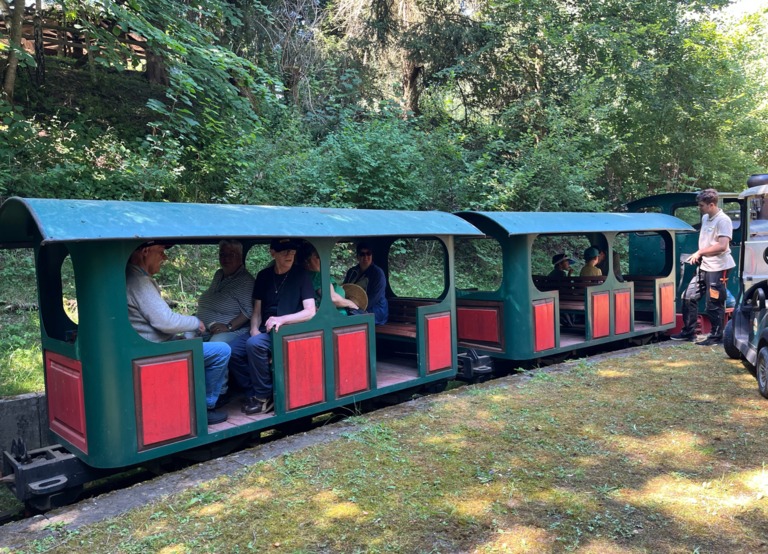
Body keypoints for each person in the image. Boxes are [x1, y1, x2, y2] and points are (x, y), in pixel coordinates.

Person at [126, 240, 230, 425]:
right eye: (161, 251)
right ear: (145, 251)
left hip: (147, 345)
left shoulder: (134, 277)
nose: (165, 257)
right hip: (155, 350)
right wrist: (195, 322)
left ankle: (193, 399)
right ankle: (204, 408)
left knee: (196, 340)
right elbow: (164, 321)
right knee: (222, 350)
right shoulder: (139, 281)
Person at [228, 238, 316, 415]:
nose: (289, 254)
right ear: (272, 252)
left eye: (292, 251)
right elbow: (257, 311)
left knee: (255, 345)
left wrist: (282, 319)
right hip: (264, 329)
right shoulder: (264, 276)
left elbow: (310, 311)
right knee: (232, 350)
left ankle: (264, 397)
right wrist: (253, 329)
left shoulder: (301, 275)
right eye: (284, 251)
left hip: (287, 330)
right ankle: (252, 392)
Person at [671, 189, 736, 345]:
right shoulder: (706, 217)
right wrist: (699, 255)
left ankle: (716, 337)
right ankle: (688, 332)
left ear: (711, 204)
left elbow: (722, 246)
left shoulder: (723, 220)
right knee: (688, 296)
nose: (699, 208)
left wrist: (699, 252)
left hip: (719, 266)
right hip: (705, 265)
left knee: (714, 303)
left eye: (701, 205)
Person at [196, 239, 255, 400]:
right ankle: (192, 387)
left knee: (217, 346)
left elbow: (249, 312)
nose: (226, 258)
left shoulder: (245, 280)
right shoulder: (219, 274)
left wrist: (228, 327)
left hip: (235, 330)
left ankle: (219, 392)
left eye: (231, 254)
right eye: (222, 254)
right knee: (183, 340)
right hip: (205, 325)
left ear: (240, 256)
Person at [302, 245, 359, 314]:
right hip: (337, 318)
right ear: (307, 260)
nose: (322, 259)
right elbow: (333, 298)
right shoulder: (318, 275)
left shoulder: (304, 275)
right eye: (318, 256)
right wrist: (352, 304)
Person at [343, 241, 388, 325]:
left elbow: (374, 297)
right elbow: (345, 289)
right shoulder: (352, 271)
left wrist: (357, 308)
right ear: (357, 257)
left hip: (375, 311)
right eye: (362, 254)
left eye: (368, 253)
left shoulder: (378, 273)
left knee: (350, 317)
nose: (366, 257)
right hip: (355, 307)